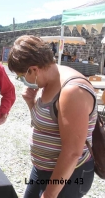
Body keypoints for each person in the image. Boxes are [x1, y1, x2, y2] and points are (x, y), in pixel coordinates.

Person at [8, 35, 96, 198]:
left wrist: (50, 194)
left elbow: (72, 152)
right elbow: (44, 124)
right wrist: (31, 103)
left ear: (33, 69)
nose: (23, 81)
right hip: (42, 170)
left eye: (21, 76)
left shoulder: (71, 91)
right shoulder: (48, 81)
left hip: (69, 175)